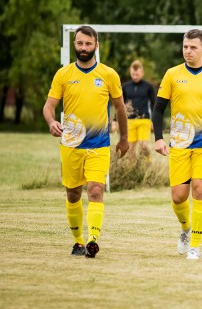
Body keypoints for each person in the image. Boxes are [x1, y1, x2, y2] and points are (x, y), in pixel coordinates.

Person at [43, 25, 129, 258]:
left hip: (99, 145)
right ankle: (78, 242)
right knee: (73, 194)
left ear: (96, 46)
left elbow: (120, 107)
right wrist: (51, 122)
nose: (83, 48)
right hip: (71, 145)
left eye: (88, 44)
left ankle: (93, 239)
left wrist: (124, 138)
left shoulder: (109, 75)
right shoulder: (63, 75)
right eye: (80, 43)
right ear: (75, 45)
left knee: (95, 190)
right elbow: (49, 106)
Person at [152, 29, 202, 260]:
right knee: (178, 197)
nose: (188, 51)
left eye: (193, 47)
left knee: (199, 190)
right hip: (179, 143)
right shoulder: (172, 74)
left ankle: (195, 246)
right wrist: (158, 138)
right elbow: (158, 109)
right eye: (185, 47)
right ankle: (186, 229)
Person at [114, 60, 156, 157]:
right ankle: (132, 169)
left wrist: (155, 120)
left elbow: (154, 104)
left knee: (143, 145)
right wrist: (115, 120)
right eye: (133, 74)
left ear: (142, 73)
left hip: (144, 119)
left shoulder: (148, 87)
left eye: (137, 74)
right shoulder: (125, 87)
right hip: (129, 121)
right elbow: (120, 104)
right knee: (130, 148)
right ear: (130, 72)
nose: (135, 76)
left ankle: (147, 161)